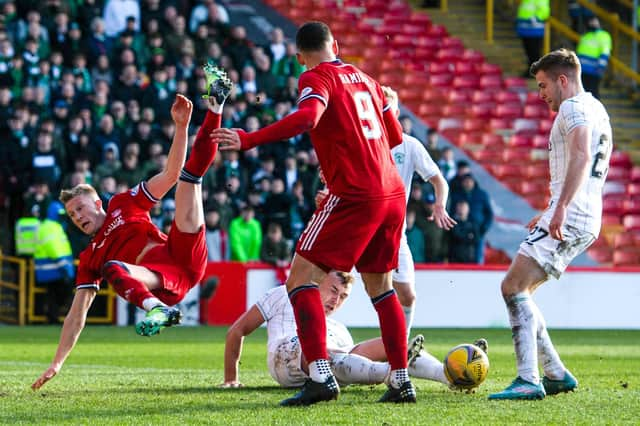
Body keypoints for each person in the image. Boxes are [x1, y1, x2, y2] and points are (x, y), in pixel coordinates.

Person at [211, 21, 412, 405]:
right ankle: (401, 379)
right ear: (335, 44)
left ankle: (320, 375)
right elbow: (396, 137)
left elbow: (307, 119)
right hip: (391, 193)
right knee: (381, 289)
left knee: (299, 280)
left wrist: (249, 139)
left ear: (300, 57)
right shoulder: (365, 78)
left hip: (355, 194)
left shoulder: (314, 78)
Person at [31, 66, 234, 391]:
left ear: (97, 202)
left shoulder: (124, 203)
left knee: (189, 177)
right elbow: (76, 316)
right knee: (112, 267)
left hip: (180, 254)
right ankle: (158, 311)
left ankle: (216, 107)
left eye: (80, 208)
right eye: (71, 215)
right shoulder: (89, 258)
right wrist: (57, 362)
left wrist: (181, 127)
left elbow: (169, 174)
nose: (78, 216)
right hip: (163, 282)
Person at [489, 49, 612, 400]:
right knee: (521, 292)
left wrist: (559, 209)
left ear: (563, 80)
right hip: (585, 214)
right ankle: (556, 373)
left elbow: (582, 155)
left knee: (512, 286)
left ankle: (529, 379)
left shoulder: (573, 107)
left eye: (543, 85)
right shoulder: (597, 108)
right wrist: (550, 208)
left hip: (571, 215)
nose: (540, 93)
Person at [222, 271, 456, 390]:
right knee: (326, 353)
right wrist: (231, 379)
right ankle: (392, 371)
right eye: (332, 290)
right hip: (288, 354)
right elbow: (237, 330)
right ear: (319, 281)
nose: (336, 300)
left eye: (343, 296)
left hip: (333, 355)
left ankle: (449, 374)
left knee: (395, 344)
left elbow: (352, 354)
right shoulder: (283, 294)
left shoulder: (338, 328)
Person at [383, 86, 456, 335]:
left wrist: (439, 204)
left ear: (396, 112)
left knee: (408, 296)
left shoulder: (410, 146)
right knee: (336, 286)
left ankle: (399, 352)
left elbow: (439, 180)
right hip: (360, 231)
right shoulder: (364, 142)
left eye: (388, 112)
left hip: (393, 234)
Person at [33, 203, 75, 324]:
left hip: (54, 267)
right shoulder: (49, 227)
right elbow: (53, 249)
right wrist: (64, 265)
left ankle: (52, 317)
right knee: (57, 293)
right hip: (53, 267)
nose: (61, 217)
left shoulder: (55, 226)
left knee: (53, 294)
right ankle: (52, 317)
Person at [576, 17, 611, 100]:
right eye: (590, 22)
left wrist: (600, 67)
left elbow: (605, 52)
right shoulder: (585, 36)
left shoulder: (604, 36)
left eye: (594, 22)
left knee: (593, 94)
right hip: (582, 70)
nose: (592, 24)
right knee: (581, 94)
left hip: (594, 70)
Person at [516, 0, 550, 77]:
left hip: (534, 29)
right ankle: (531, 71)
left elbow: (545, 10)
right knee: (529, 52)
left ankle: (535, 72)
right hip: (525, 29)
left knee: (534, 52)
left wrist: (537, 17)